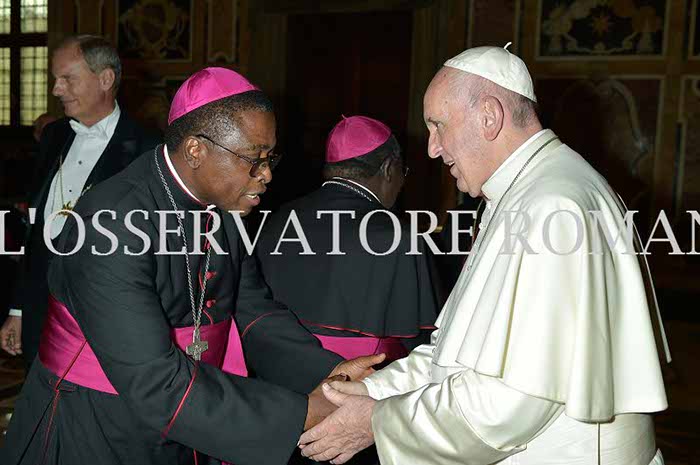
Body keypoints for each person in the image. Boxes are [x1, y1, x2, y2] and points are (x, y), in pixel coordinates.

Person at [298, 44, 671, 465]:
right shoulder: (526, 191)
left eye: (438, 126)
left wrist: (378, 421)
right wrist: (373, 390)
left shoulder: (552, 204)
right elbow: (456, 356)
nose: (433, 149)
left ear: (489, 116)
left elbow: (511, 404)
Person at [1, 67, 382, 465]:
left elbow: (253, 311)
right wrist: (304, 413)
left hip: (191, 411)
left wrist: (331, 374)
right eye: (253, 159)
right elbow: (154, 380)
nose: (267, 174)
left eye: (270, 157)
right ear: (196, 150)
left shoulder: (222, 207)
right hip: (95, 423)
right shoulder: (111, 221)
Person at [0, 35, 159, 365]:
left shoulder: (148, 149)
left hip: (105, 319)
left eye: (67, 78)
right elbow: (34, 232)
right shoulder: (54, 135)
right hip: (40, 312)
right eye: (55, 79)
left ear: (105, 79)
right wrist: (18, 309)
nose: (56, 89)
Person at [257, 115, 438, 362]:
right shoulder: (400, 237)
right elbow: (423, 347)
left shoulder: (278, 219)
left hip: (278, 374)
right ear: (388, 169)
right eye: (402, 172)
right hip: (364, 380)